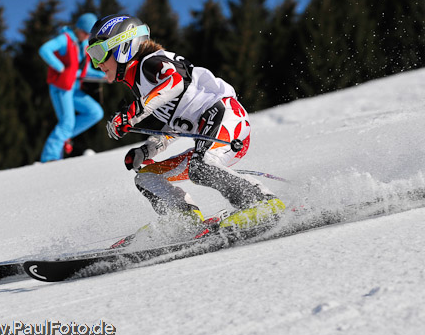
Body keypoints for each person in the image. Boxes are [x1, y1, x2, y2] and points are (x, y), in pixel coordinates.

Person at [87, 14, 285, 237]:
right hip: (207, 135)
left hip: (225, 118)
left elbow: (175, 81)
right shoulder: (143, 85)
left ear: (123, 46)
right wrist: (147, 149)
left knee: (202, 167)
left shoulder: (150, 63)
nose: (97, 64)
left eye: (98, 53)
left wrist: (133, 113)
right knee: (146, 177)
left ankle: (263, 203)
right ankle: (185, 219)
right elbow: (174, 127)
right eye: (92, 57)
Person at [39, 13, 106, 162]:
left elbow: (84, 71)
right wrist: (59, 67)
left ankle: (65, 136)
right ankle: (50, 158)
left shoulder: (83, 46)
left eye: (89, 34)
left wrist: (103, 76)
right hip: (61, 87)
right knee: (67, 121)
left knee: (95, 112)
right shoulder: (65, 39)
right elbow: (44, 49)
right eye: (84, 32)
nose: (85, 36)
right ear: (78, 28)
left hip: (74, 88)